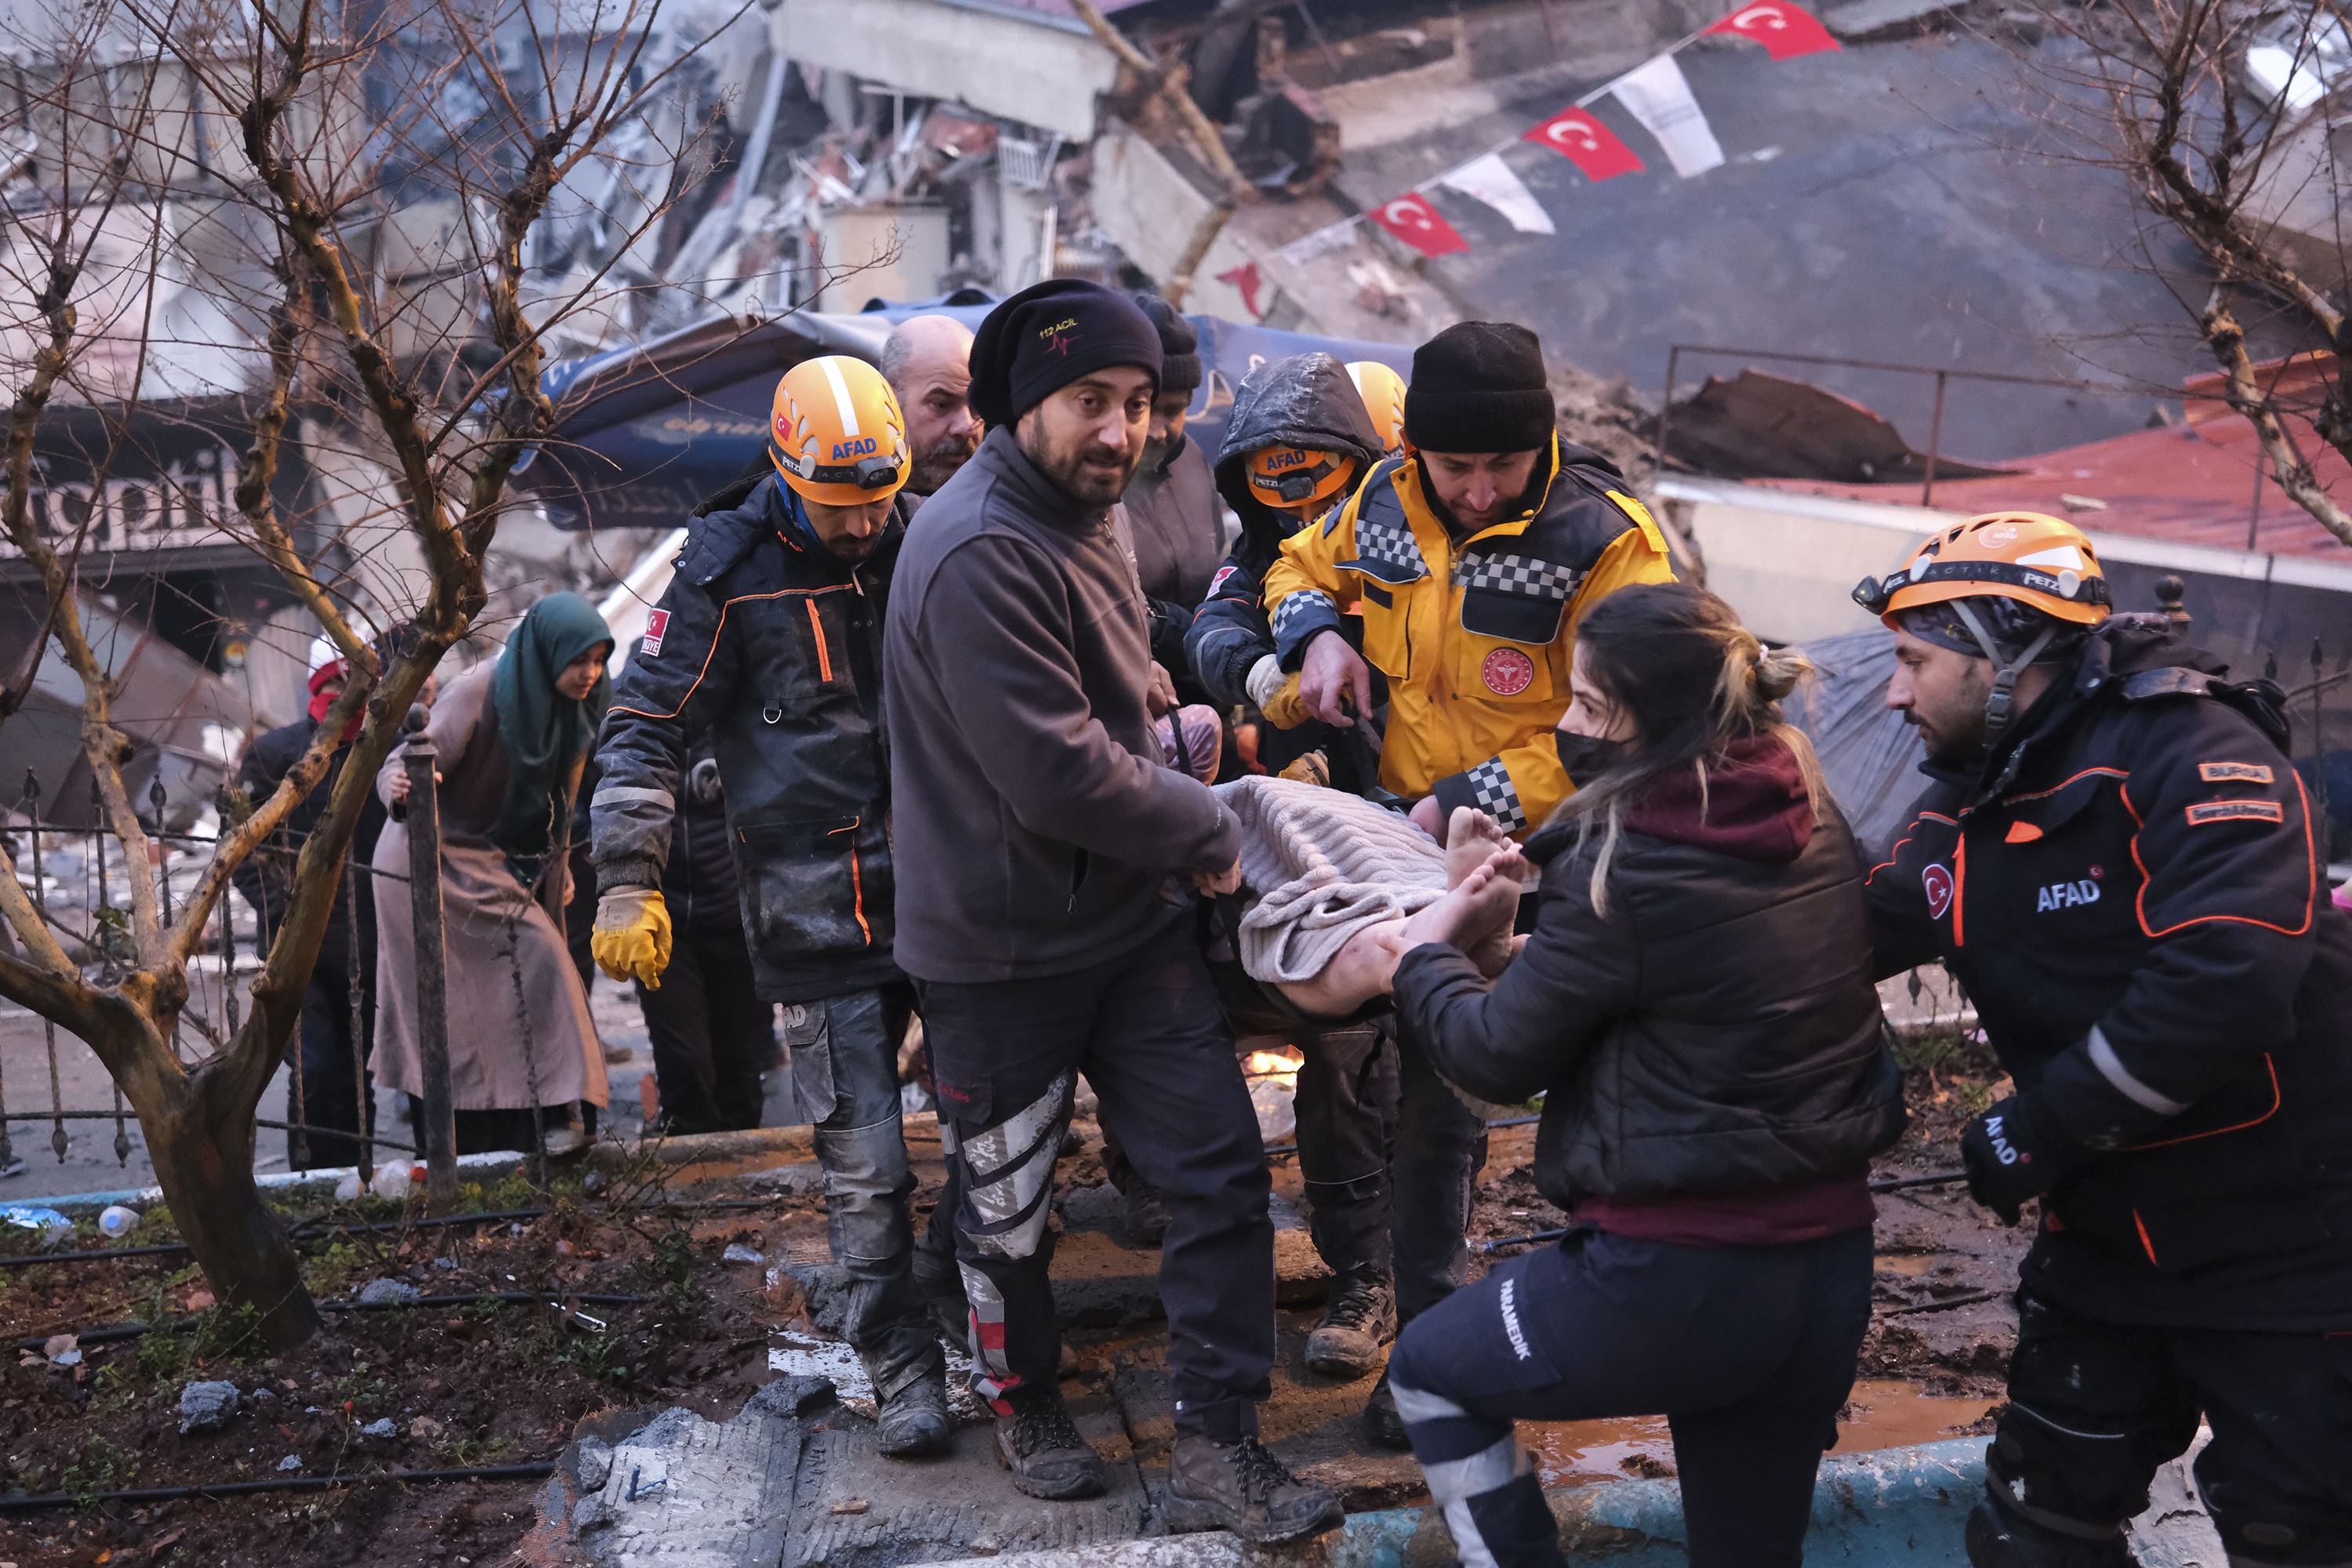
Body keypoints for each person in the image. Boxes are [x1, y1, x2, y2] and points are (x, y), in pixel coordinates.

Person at [884, 278, 1341, 1544]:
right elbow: (1054, 769)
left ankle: (1219, 1439)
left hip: (1124, 923)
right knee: (1007, 1202)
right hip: (1000, 945)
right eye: (1093, 403)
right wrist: (1212, 826)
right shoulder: (978, 548)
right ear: (1025, 406)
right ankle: (1024, 1399)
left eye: (1139, 406)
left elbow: (1113, 657)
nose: (1122, 432)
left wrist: (1157, 689)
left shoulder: (1085, 506)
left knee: (1218, 1175)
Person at [1851, 513, 2352, 1566]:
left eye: (1913, 661)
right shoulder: (1969, 799)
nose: (1894, 694)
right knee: (2032, 1533)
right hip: (2107, 1240)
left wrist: (2037, 1131)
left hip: (2290, 1234)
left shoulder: (2194, 747)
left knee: (2291, 1533)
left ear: (2004, 660)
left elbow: (2230, 976)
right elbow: (1830, 932)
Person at [1379, 581, 1905, 1568]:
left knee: (1432, 1372)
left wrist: (1430, 947)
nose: (1565, 724)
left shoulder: (1625, 861)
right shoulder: (1814, 817)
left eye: (1586, 706)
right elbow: (1686, 979)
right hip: (1828, 1271)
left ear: (1653, 728)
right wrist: (1521, 937)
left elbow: (1492, 1056)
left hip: (1676, 1279)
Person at [589, 354, 953, 1458]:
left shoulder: (931, 535)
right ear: (788, 475)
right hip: (813, 910)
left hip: (956, 893)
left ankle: (964, 1306)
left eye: (878, 498)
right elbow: (644, 723)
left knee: (995, 1138)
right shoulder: (721, 571)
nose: (862, 525)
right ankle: (898, 1361)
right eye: (841, 506)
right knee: (865, 1157)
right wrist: (624, 877)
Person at [1184, 350, 1468, 1410]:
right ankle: (1341, 1270)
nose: (1299, 499)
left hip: (1432, 828)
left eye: (1318, 477)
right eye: (1276, 478)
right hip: (1310, 847)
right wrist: (1263, 681)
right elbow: (1214, 623)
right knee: (1305, 1041)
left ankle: (1380, 1281)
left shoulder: (1421, 548)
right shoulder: (1259, 553)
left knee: (1401, 1069)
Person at [1263, 320, 1676, 846]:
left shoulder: (1610, 544)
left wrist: (1469, 803)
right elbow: (1294, 568)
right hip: (1401, 824)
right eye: (1455, 467)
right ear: (1413, 448)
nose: (1480, 496)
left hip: (1543, 850)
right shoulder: (1381, 503)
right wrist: (1316, 637)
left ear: (1540, 442)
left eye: (1505, 465)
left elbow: (1629, 728)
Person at [374, 593, 614, 1156]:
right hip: (424, 855)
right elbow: (405, 760)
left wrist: (556, 869)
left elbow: (561, 800)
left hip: (488, 859)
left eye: (599, 660)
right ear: (547, 652)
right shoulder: (479, 690)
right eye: (579, 659)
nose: (590, 673)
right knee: (442, 1006)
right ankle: (456, 1149)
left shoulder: (579, 706)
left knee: (542, 963)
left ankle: (561, 1116)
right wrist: (402, 787)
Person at [233, 633, 389, 1170]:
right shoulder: (275, 755)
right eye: (337, 685)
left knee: (359, 1065)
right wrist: (286, 908)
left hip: (369, 939)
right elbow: (241, 850)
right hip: (295, 945)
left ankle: (356, 1176)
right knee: (315, 1067)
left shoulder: (380, 753)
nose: (347, 698)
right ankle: (316, 1175)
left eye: (357, 686)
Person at [633, 737, 775, 1134]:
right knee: (683, 1061)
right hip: (663, 922)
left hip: (739, 917)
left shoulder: (743, 713)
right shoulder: (637, 722)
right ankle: (689, 1168)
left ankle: (744, 1171)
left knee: (741, 1062)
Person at [1119, 293, 1221, 698]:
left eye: (1174, 410)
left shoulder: (1193, 460)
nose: (1159, 430)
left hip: (1211, 691)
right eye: (1148, 409)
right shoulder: (1093, 479)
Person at [881, 314, 980, 496]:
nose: (967, 427)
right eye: (942, 405)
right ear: (889, 401)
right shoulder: (854, 517)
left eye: (977, 406)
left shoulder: (1016, 509)